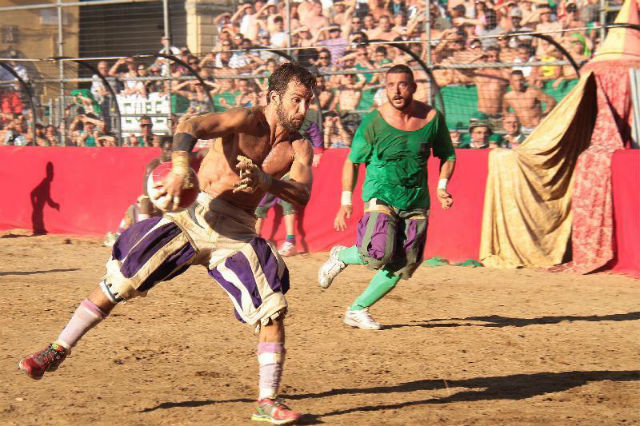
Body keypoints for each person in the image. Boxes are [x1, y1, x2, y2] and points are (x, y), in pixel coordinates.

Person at [19, 63, 316, 425]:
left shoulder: (300, 145)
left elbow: (301, 193)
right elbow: (191, 125)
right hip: (197, 214)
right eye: (297, 101)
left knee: (272, 306)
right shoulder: (244, 118)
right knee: (122, 280)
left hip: (238, 230)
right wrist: (180, 168)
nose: (303, 110)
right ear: (274, 97)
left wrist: (267, 182)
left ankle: (267, 400)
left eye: (307, 102)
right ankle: (57, 349)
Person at [317, 65, 456, 330]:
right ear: (384, 88)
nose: (397, 90)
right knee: (378, 253)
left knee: (404, 263)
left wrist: (441, 186)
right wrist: (346, 200)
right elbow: (353, 161)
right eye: (391, 85)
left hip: (416, 199)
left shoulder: (432, 119)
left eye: (403, 84)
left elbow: (447, 155)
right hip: (381, 192)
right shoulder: (373, 121)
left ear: (413, 87)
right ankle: (343, 255)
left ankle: (357, 310)